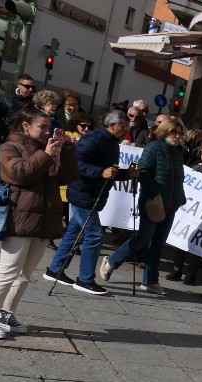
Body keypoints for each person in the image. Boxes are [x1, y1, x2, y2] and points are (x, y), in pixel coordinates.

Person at [0, 108, 77, 338]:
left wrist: (66, 152)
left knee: (25, 273)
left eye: (49, 127)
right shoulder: (10, 147)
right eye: (41, 127)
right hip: (19, 217)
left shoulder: (48, 149)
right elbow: (19, 174)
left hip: (44, 219)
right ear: (26, 126)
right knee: (8, 269)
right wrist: (45, 155)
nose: (47, 131)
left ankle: (6, 312)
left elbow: (68, 178)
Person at [44, 110, 137, 296]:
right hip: (82, 193)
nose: (126, 130)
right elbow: (77, 164)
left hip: (92, 194)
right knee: (94, 235)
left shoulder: (111, 142)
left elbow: (110, 170)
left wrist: (127, 173)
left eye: (128, 127)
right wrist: (100, 172)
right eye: (124, 127)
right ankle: (85, 279)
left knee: (74, 233)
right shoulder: (94, 139)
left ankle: (55, 269)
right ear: (112, 126)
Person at [99, 118, 186, 296]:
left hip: (171, 204)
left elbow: (179, 178)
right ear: (165, 132)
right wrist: (155, 193)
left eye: (179, 133)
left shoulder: (178, 153)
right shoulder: (154, 147)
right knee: (144, 238)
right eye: (173, 132)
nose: (177, 136)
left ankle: (150, 281)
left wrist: (180, 197)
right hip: (152, 202)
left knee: (158, 243)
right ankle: (112, 260)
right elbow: (144, 172)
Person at [167, 140, 202, 284]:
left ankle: (191, 274)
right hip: (189, 208)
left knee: (196, 243)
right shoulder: (193, 165)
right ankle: (177, 270)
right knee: (182, 239)